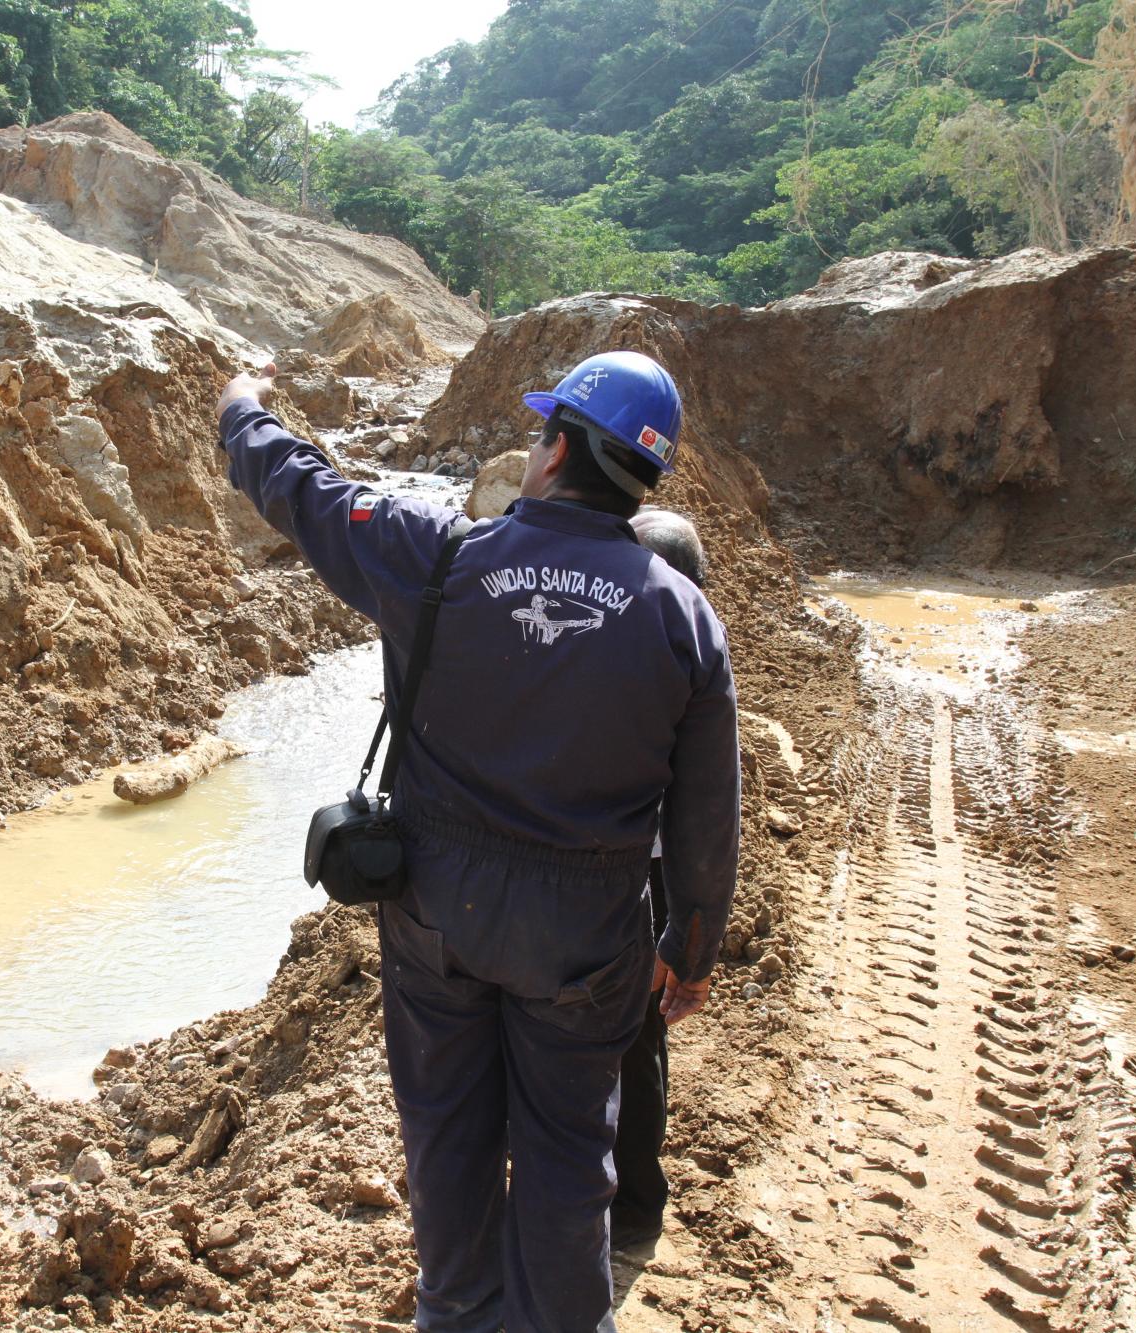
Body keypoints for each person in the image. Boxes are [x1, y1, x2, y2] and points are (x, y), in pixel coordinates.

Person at [215, 351, 741, 1333]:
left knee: (447, 1138)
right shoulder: (681, 615)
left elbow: (306, 491)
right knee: (566, 1161)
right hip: (586, 937)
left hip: (439, 916)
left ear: (551, 450)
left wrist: (241, 409)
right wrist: (691, 950)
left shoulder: (437, 556)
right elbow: (706, 818)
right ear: (641, 477)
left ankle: (455, 1310)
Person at [610, 508, 711, 1254]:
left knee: (630, 1050)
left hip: (635, 879)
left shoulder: (654, 662)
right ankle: (633, 1204)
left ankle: (635, 1207)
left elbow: (698, 821)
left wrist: (684, 938)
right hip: (647, 878)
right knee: (635, 1046)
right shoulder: (691, 659)